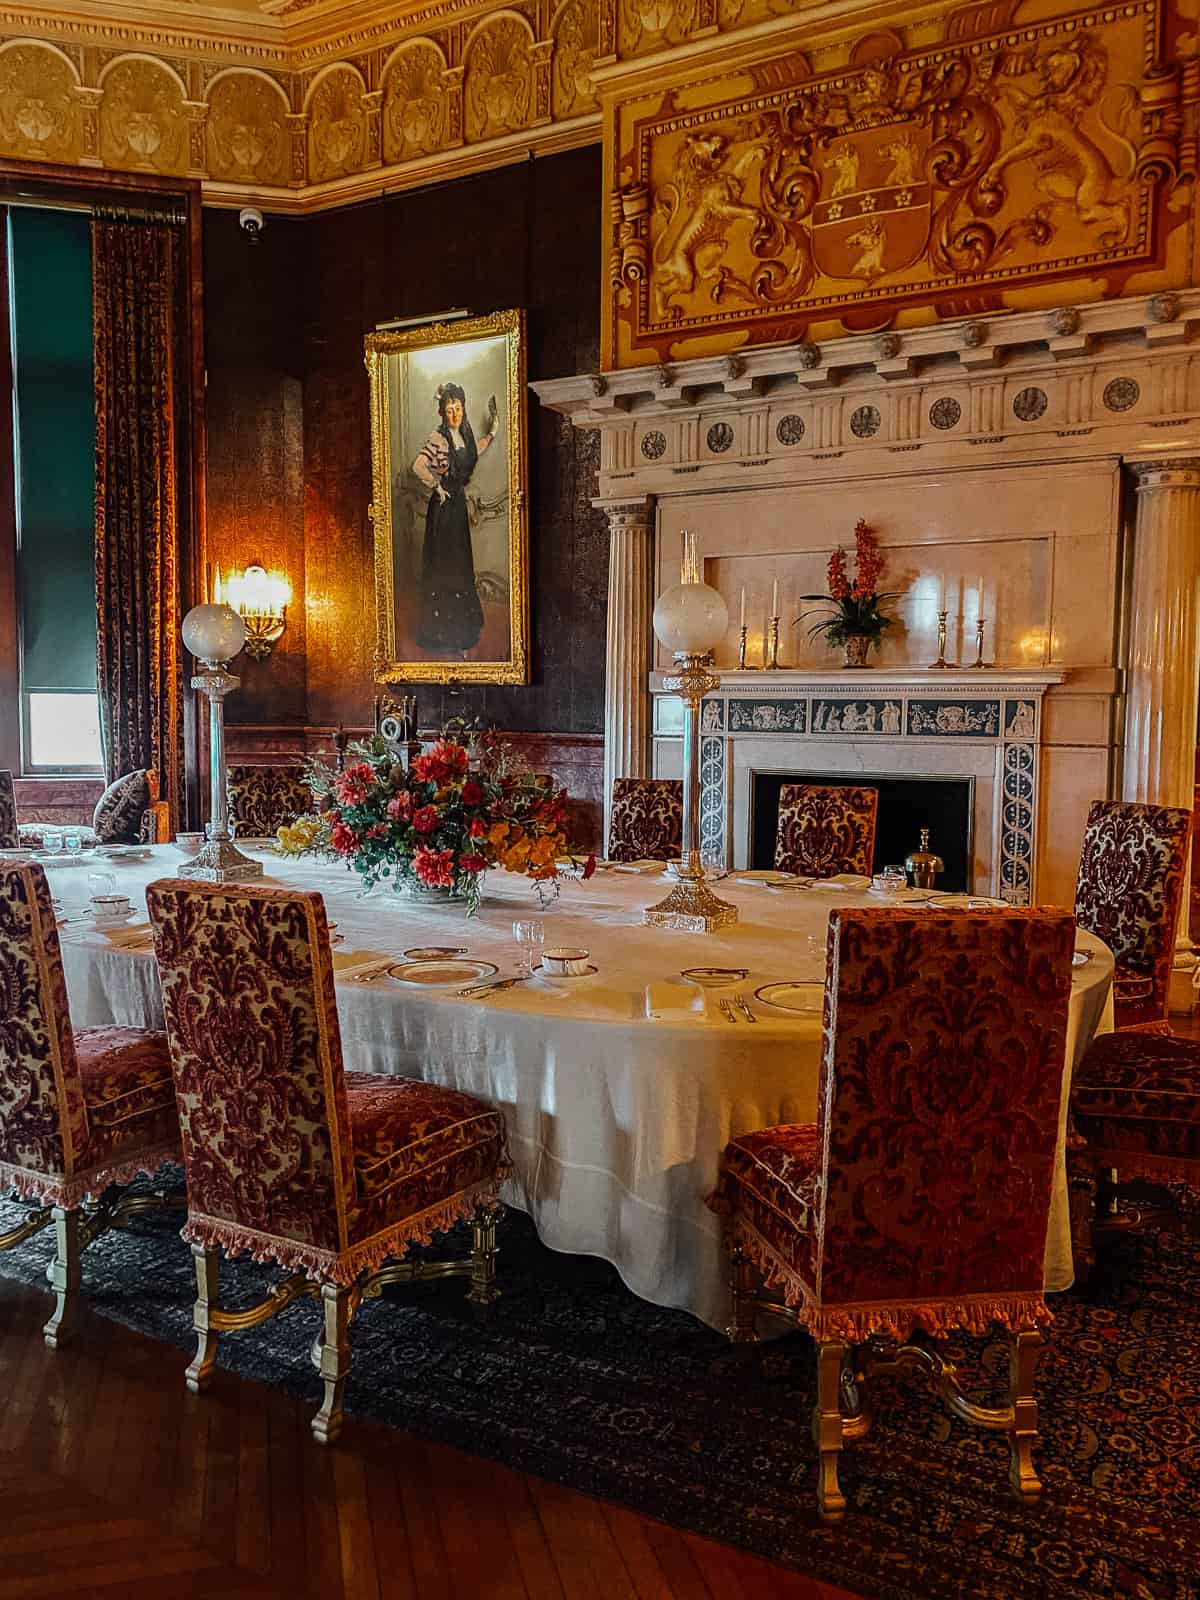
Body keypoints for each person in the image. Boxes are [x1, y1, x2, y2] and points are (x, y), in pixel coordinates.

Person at [411, 383, 498, 655]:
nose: (454, 414)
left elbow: (474, 452)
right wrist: (436, 486)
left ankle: (462, 630)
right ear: (442, 413)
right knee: (444, 567)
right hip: (443, 509)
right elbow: (417, 466)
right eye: (449, 410)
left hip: (457, 506)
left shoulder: (465, 436)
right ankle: (441, 634)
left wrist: (493, 431)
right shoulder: (438, 439)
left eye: (458, 408)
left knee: (459, 565)